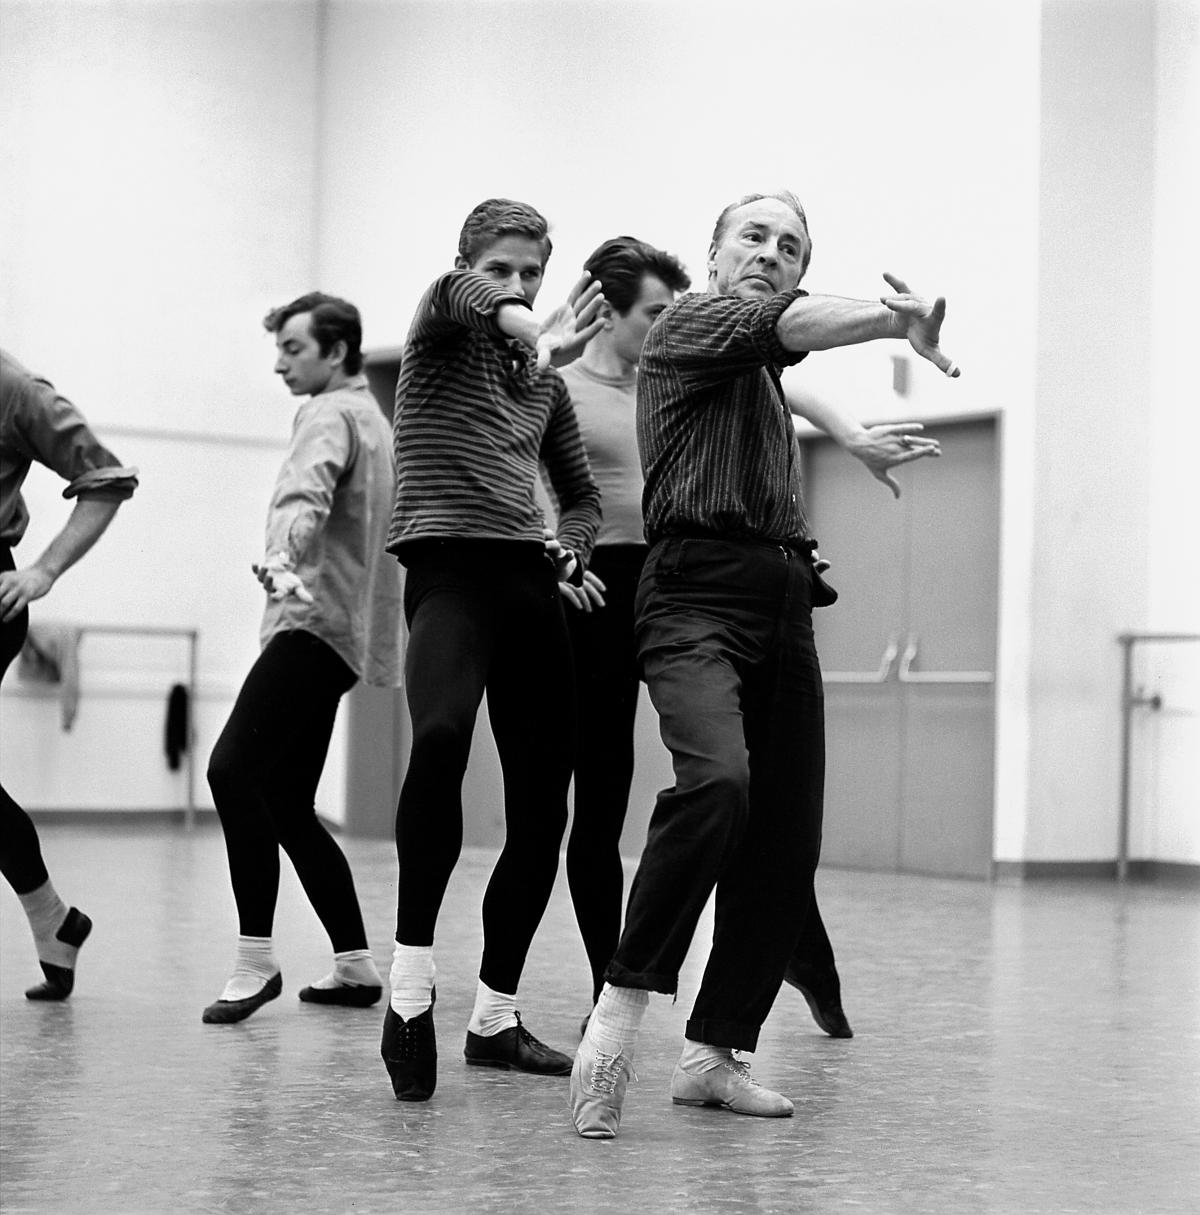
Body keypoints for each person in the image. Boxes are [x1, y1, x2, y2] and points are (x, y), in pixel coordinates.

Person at [570, 190, 959, 1139]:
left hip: (783, 599)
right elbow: (786, 327)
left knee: (785, 840)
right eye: (754, 236)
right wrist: (891, 320)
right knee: (719, 783)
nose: (771, 252)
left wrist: (853, 433)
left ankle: (714, 1053)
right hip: (692, 590)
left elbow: (788, 367)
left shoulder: (754, 371)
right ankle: (615, 1019)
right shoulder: (693, 322)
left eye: (790, 245)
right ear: (714, 255)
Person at [380, 198, 603, 1102]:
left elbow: (581, 496)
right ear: (473, 263)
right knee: (438, 739)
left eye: (534, 273)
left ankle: (496, 1017)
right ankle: (408, 987)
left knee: (544, 803)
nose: (518, 285)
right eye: (505, 267)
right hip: (447, 574)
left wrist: (572, 547)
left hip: (525, 582)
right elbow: (482, 304)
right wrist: (534, 326)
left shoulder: (545, 383)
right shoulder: (443, 320)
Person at [201, 292, 401, 1025]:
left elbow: (303, 495)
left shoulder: (328, 415)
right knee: (285, 800)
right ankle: (353, 962)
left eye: (293, 348)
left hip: (310, 622)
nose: (281, 362)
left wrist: (283, 553)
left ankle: (255, 957)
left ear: (338, 351)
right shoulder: (375, 422)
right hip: (346, 634)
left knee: (230, 770)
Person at [0, 349, 139, 999]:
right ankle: (54, 920)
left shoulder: (15, 389)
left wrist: (44, 569)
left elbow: (106, 477)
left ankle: (53, 919)